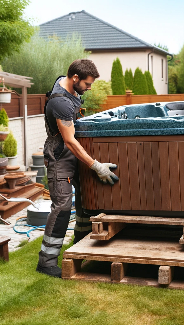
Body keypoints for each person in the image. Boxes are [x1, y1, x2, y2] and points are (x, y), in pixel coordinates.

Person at [36, 59, 119, 278]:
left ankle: (80, 244)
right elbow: (70, 141)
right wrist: (96, 165)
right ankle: (46, 261)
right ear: (75, 79)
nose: (89, 88)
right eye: (87, 84)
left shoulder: (67, 87)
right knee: (62, 206)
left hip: (72, 156)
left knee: (84, 200)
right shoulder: (60, 102)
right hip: (59, 158)